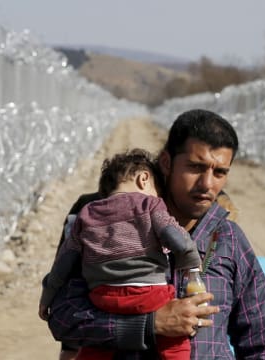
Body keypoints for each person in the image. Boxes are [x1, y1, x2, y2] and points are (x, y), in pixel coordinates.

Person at [44, 109, 265, 359]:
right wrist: (149, 325)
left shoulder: (228, 239)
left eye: (219, 172)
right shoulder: (105, 230)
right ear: (166, 163)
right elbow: (63, 317)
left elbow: (260, 341)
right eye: (195, 167)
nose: (207, 184)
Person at [39, 149, 202, 360]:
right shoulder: (149, 203)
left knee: (97, 346)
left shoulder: (86, 213)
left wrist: (47, 297)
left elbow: (64, 262)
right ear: (144, 179)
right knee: (175, 342)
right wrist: (191, 264)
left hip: (102, 299)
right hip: (150, 295)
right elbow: (175, 237)